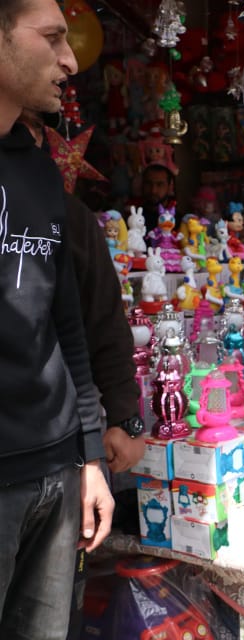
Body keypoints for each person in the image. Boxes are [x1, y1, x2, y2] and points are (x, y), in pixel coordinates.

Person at [0, 2, 114, 639]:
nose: (70, 61)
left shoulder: (41, 173)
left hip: (56, 475)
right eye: (51, 39)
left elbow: (66, 326)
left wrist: (89, 455)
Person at [19, 109, 145, 473]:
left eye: (27, 135)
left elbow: (102, 320)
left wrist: (125, 418)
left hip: (61, 429)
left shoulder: (70, 217)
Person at [137, 162, 175, 230]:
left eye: (160, 184)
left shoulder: (180, 222)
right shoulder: (134, 219)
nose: (153, 190)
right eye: (148, 184)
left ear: (170, 187)